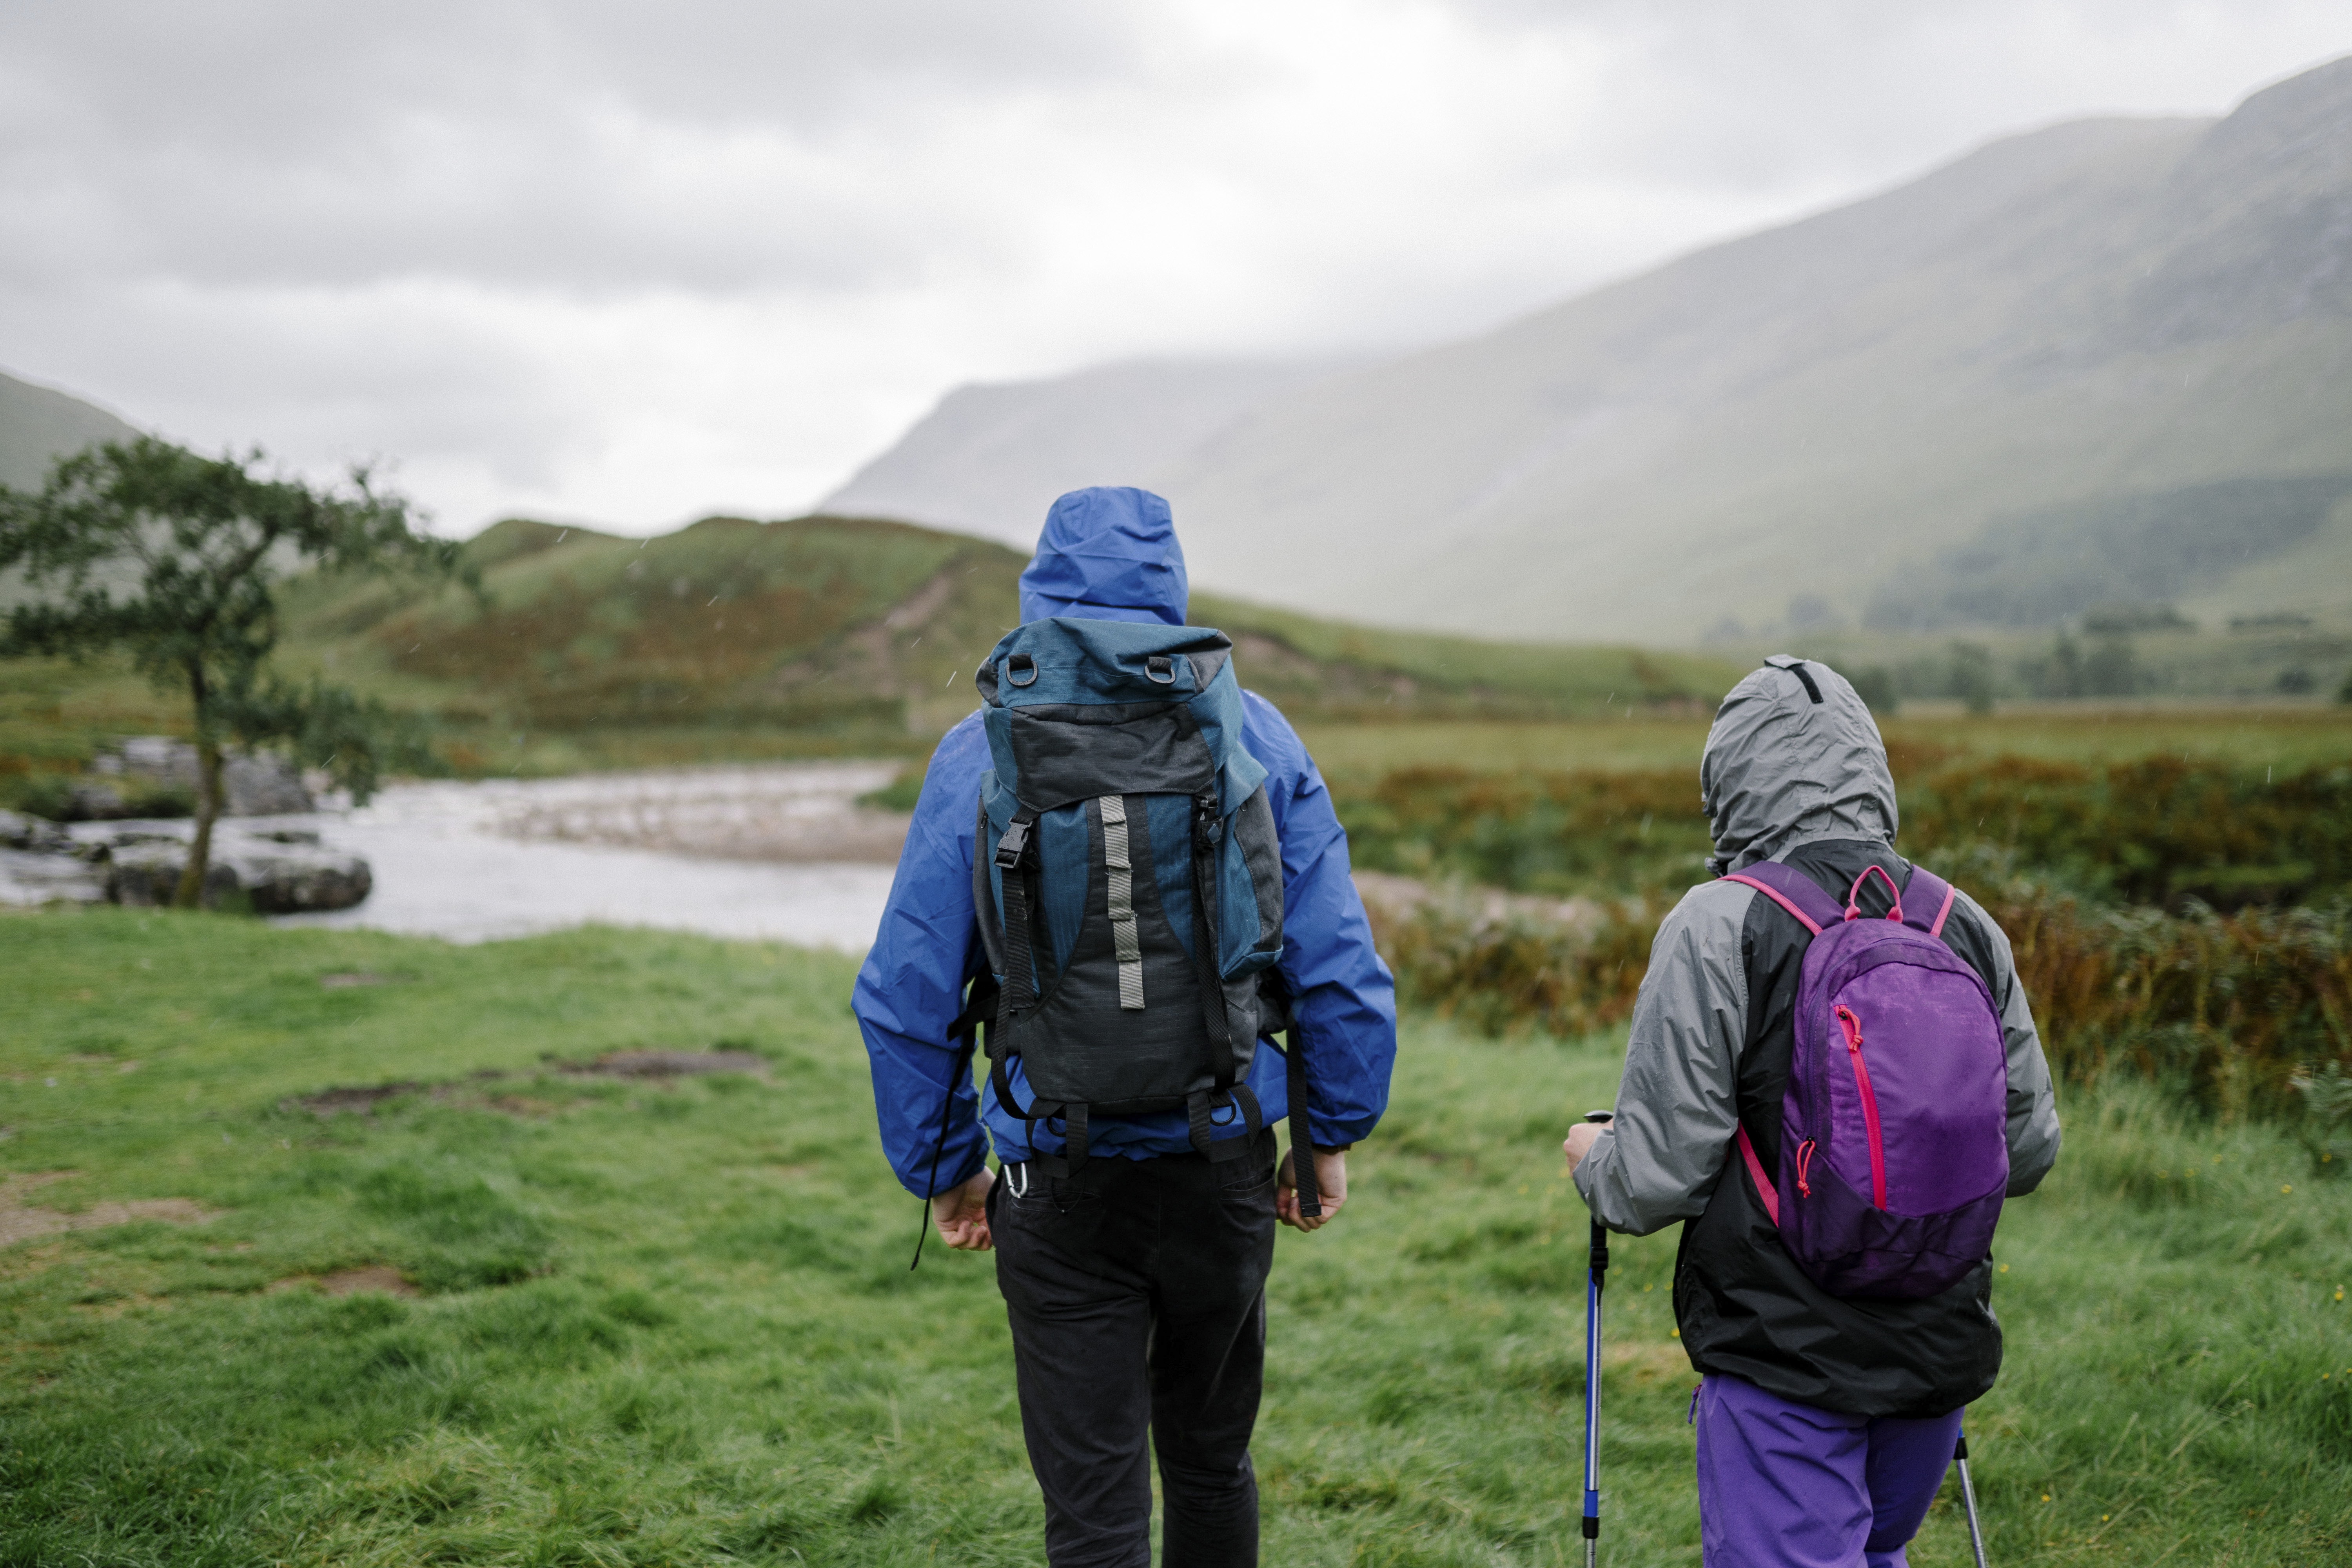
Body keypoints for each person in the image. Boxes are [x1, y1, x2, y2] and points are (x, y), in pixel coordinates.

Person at [856, 485, 1397, 1568]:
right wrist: (1328, 1135)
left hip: (1053, 1173)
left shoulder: (983, 747)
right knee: (1208, 1465)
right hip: (1222, 1160)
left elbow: (905, 993)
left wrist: (944, 1165)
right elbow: (1341, 971)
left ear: (1042, 585)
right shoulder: (1256, 732)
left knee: (1096, 1509)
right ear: (1170, 583)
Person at [1562, 656, 2061, 1568]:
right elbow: (2027, 1150)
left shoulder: (1719, 922)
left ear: (1729, 781)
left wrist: (1593, 1154)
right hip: (1935, 1353)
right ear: (1871, 766)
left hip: (1783, 1356)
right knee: (1876, 1551)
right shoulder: (1961, 920)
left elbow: (1652, 1182)